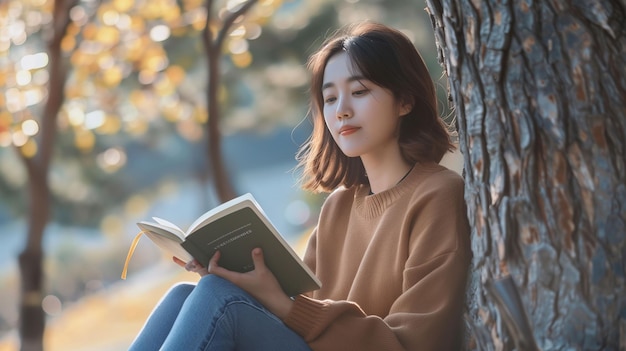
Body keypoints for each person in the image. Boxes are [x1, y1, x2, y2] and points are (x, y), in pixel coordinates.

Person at [129, 21, 471, 351]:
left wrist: (280, 304)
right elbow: (299, 308)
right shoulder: (339, 206)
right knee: (185, 295)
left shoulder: (438, 194)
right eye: (331, 98)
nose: (342, 111)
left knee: (217, 299)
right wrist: (237, 277)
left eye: (359, 91)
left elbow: (413, 344)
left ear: (405, 101)